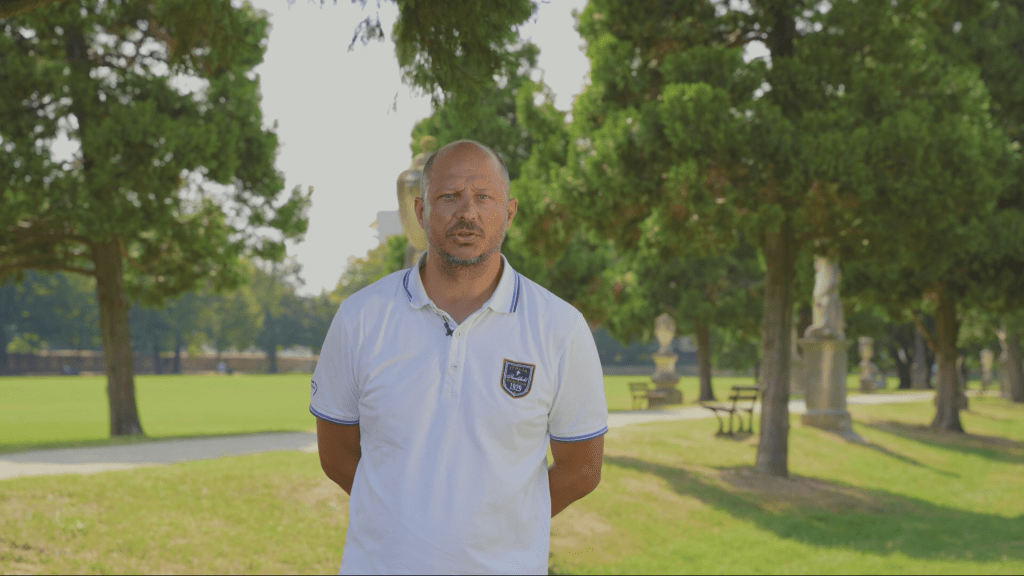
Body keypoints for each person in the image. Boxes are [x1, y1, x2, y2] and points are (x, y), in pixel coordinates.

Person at [310, 140, 608, 574]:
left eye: (484, 197)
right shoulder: (361, 317)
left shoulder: (560, 327)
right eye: (449, 196)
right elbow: (335, 454)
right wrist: (404, 526)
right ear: (420, 211)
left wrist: (500, 532)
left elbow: (582, 469)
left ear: (509, 213)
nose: (467, 212)